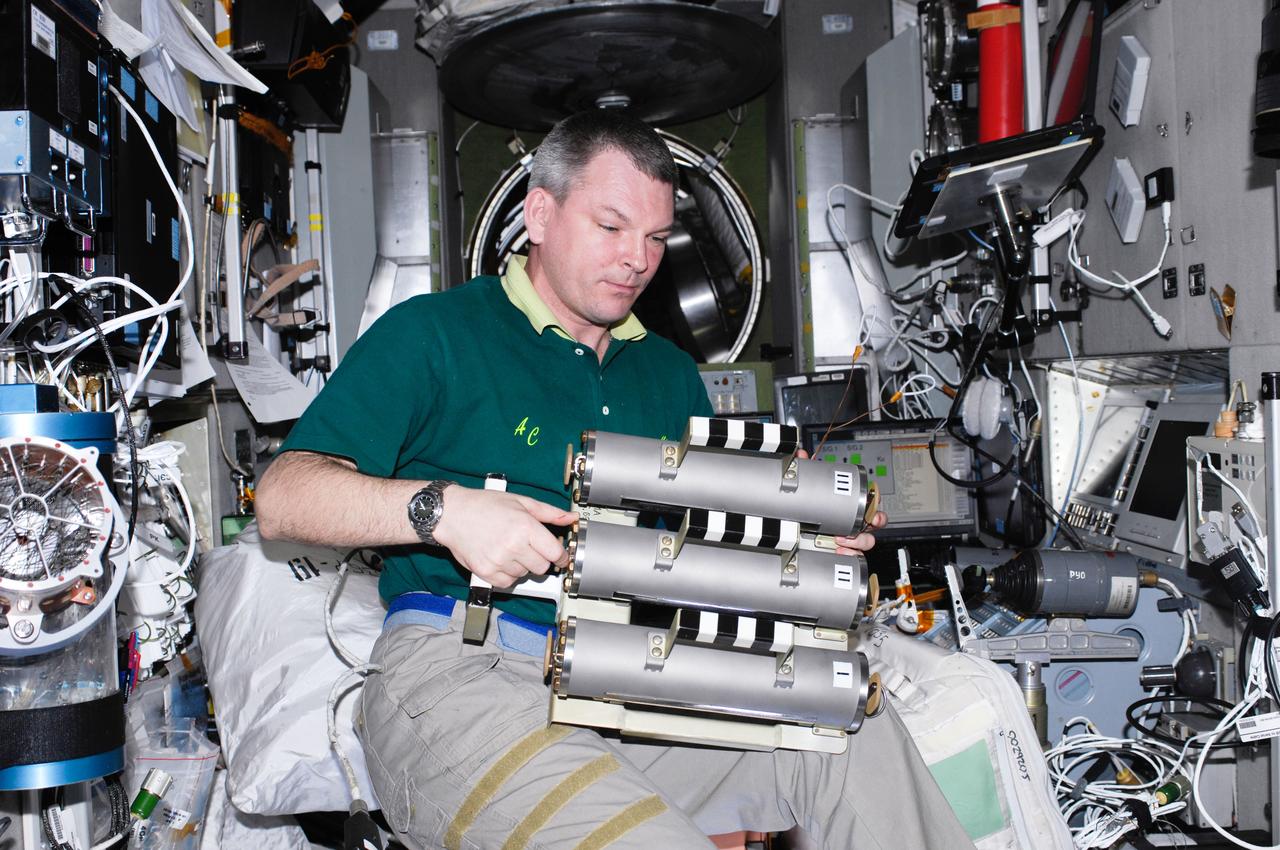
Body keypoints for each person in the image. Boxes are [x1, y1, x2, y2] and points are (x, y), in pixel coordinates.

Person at [255, 109, 974, 850]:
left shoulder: (667, 376)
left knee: (852, 728)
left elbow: (700, 568)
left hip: (637, 679)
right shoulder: (434, 336)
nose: (637, 258)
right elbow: (283, 498)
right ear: (540, 213)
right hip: (465, 674)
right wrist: (444, 511)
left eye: (656, 238)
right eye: (611, 227)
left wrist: (803, 551)